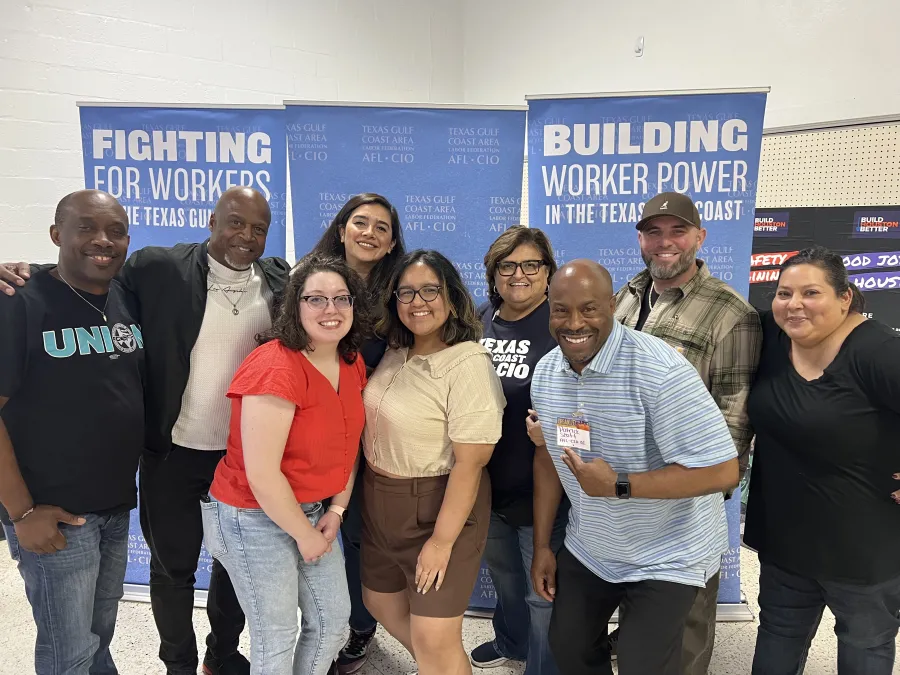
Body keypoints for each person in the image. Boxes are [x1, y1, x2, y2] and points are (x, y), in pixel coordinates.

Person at [0, 185, 291, 675]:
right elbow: (72, 273)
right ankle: (179, 664)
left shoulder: (275, 280)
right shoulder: (154, 270)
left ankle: (221, 658)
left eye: (258, 228)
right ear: (212, 221)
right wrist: (20, 510)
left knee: (223, 573)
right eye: (235, 222)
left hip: (223, 465)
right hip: (162, 458)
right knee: (155, 582)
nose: (246, 235)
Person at [529, 260, 739, 675]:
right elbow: (551, 460)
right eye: (561, 309)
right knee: (568, 647)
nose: (574, 323)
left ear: (611, 306)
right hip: (593, 546)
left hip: (669, 552)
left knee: (645, 664)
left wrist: (620, 485)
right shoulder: (548, 373)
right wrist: (540, 547)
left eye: (589, 309)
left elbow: (723, 472)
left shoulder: (660, 371)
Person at [612, 191, 762, 673]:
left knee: (686, 620)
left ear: (700, 237)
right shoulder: (627, 295)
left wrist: (700, 485)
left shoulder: (731, 313)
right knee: (640, 609)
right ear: (640, 239)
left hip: (683, 495)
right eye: (653, 232)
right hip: (621, 488)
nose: (665, 242)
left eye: (678, 231)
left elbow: (735, 416)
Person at [201, 254, 370, 675]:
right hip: (251, 515)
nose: (331, 310)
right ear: (295, 305)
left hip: (315, 510)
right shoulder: (275, 365)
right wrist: (304, 536)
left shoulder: (350, 361)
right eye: (316, 299)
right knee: (276, 636)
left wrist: (336, 509)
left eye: (341, 298)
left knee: (332, 623)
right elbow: (261, 474)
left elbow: (349, 443)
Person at [0, 190, 144, 674]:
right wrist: (21, 512)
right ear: (57, 235)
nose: (102, 240)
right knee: (69, 653)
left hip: (114, 506)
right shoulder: (20, 301)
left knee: (98, 634)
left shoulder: (125, 294)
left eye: (115, 231)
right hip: (53, 513)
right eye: (86, 228)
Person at [744, 247, 900, 675]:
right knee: (777, 640)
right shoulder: (773, 338)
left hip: (863, 550)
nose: (794, 304)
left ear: (845, 297)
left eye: (810, 293)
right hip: (786, 542)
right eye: (783, 293)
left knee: (864, 648)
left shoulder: (878, 351)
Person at [361, 250, 506, 675]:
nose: (417, 301)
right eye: (406, 292)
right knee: (379, 601)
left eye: (430, 290)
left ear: (451, 297)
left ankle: (441, 662)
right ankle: (442, 664)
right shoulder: (394, 349)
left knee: (435, 638)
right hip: (378, 501)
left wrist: (441, 543)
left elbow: (471, 464)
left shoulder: (468, 363)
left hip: (441, 507)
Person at [309, 193, 407, 674]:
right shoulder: (309, 279)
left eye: (381, 228)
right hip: (320, 428)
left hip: (379, 435)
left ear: (391, 244)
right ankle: (322, 626)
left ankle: (360, 628)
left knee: (364, 535)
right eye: (360, 222)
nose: (369, 233)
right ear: (342, 228)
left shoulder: (402, 291)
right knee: (321, 528)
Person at [471, 226, 566, 674]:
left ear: (548, 271)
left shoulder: (563, 324)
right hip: (486, 487)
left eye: (532, 265)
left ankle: (542, 667)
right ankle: (511, 640)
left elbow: (593, 402)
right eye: (507, 266)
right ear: (493, 274)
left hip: (544, 490)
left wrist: (560, 432)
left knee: (540, 592)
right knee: (505, 578)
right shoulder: (478, 319)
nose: (519, 274)